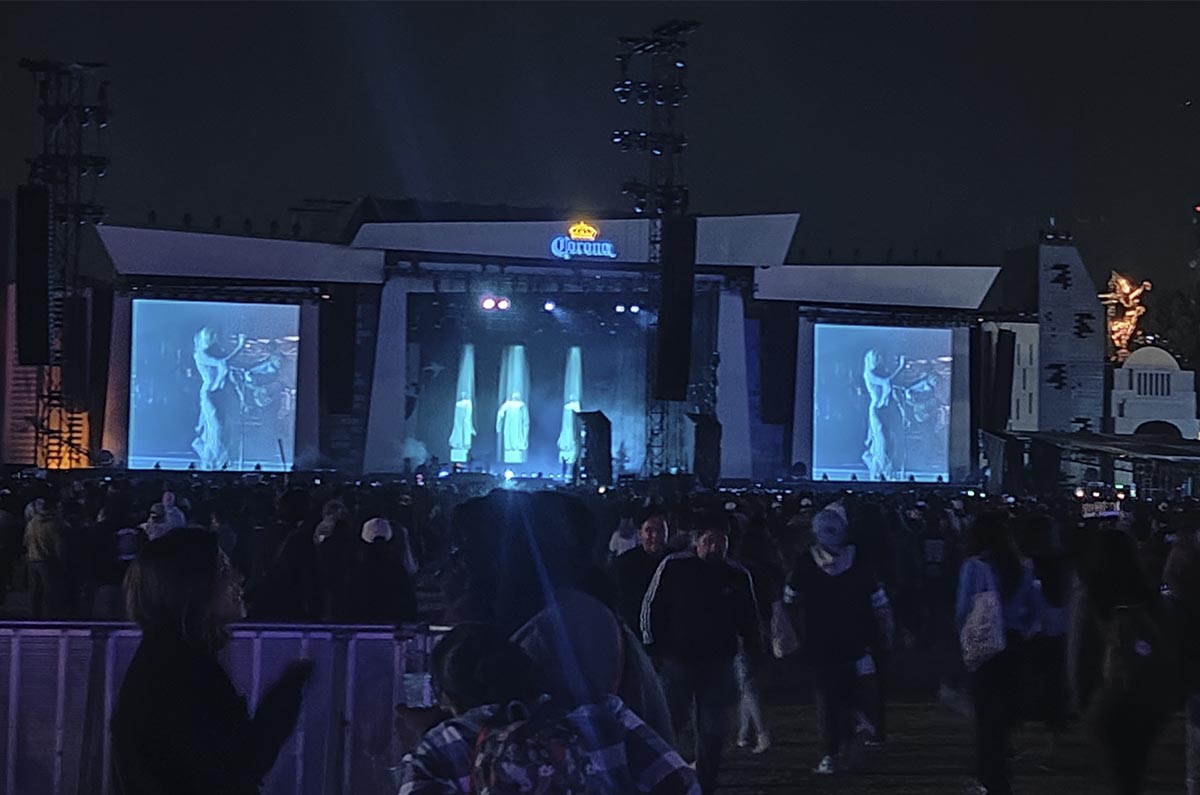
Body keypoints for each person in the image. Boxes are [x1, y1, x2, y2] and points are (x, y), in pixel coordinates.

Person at [111, 529, 314, 794]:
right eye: (223, 570)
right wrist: (284, 698)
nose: (239, 578)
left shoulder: (172, 660)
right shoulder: (180, 672)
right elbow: (236, 767)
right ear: (191, 586)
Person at [642, 513, 764, 795]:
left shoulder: (736, 575)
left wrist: (754, 650)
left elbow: (749, 618)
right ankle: (666, 774)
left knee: (713, 726)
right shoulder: (674, 567)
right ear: (697, 541)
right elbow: (653, 607)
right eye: (708, 541)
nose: (714, 547)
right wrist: (654, 646)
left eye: (720, 542)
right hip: (678, 659)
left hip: (719, 661)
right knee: (670, 721)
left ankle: (707, 781)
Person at [1070, 524, 1179, 795]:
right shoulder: (1150, 595)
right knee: (1134, 771)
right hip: (1148, 697)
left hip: (1108, 695)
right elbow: (1167, 643)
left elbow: (1078, 652)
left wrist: (1080, 697)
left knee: (1116, 772)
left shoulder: (1090, 596)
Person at [785, 507, 891, 773]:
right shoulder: (860, 562)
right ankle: (854, 731)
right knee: (852, 691)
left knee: (826, 698)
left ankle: (830, 752)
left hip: (818, 641)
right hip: (857, 640)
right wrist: (885, 631)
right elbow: (879, 602)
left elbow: (789, 598)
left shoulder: (805, 562)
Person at [955, 512, 1043, 795]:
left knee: (985, 715)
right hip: (1014, 644)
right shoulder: (1023, 567)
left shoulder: (974, 567)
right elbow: (1034, 610)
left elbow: (962, 610)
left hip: (985, 645)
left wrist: (965, 639)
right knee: (1004, 710)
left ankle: (991, 777)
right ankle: (1000, 769)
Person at [192, 327, 245, 470]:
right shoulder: (201, 354)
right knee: (216, 427)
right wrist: (239, 346)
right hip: (210, 394)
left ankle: (214, 461)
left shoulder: (217, 353)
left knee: (223, 428)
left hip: (221, 394)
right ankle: (212, 461)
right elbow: (223, 363)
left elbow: (228, 369)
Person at [611, 509, 670, 633]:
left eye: (660, 530)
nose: (655, 536)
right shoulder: (624, 563)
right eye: (649, 530)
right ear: (640, 533)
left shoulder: (677, 561)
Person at [861, 349, 906, 481]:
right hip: (877, 411)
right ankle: (879, 471)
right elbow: (887, 382)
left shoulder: (883, 372)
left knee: (891, 442)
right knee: (882, 441)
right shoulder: (869, 373)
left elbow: (895, 385)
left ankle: (886, 472)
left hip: (887, 410)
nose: (881, 359)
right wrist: (900, 367)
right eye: (878, 357)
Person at [24, 497, 63, 618]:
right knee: (49, 591)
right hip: (47, 561)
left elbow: (25, 542)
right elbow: (58, 545)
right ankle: (49, 617)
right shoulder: (53, 525)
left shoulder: (31, 523)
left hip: (32, 560)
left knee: (35, 591)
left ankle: (34, 615)